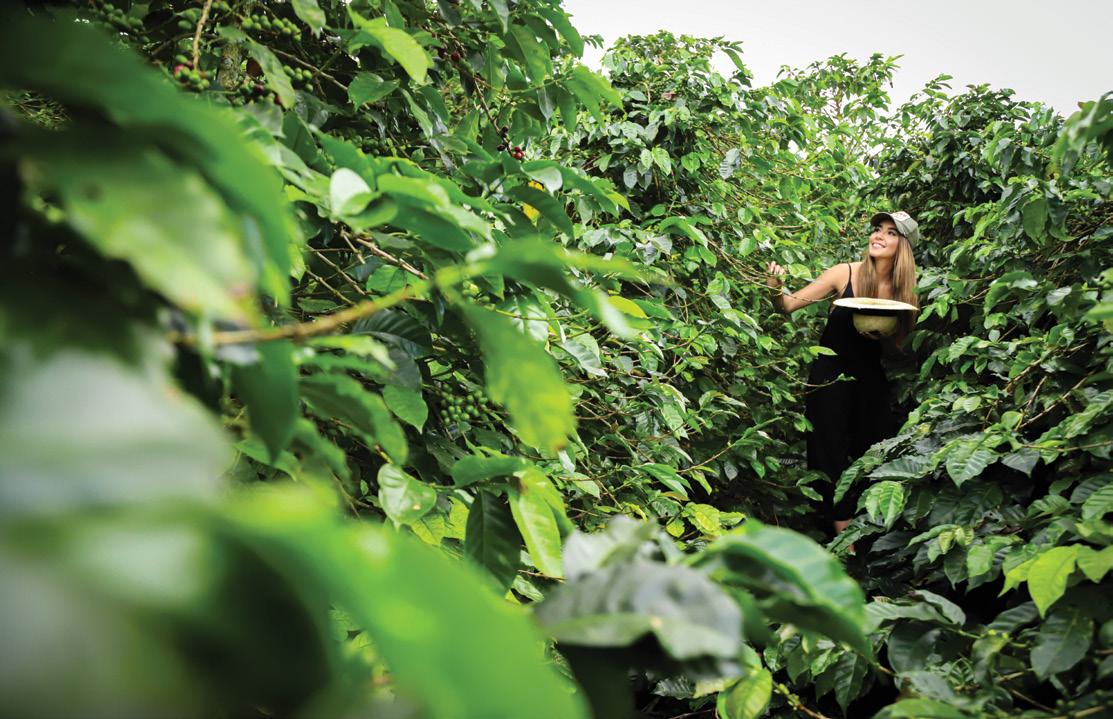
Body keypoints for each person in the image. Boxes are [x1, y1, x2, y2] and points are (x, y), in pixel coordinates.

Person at [766, 211, 920, 538]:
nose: (878, 236)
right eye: (877, 229)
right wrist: (776, 288)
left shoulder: (904, 292)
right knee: (828, 451)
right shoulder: (844, 273)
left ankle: (872, 531)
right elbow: (787, 306)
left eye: (890, 233)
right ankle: (842, 539)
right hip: (829, 375)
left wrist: (882, 336)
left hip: (871, 379)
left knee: (875, 449)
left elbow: (898, 352)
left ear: (904, 246)